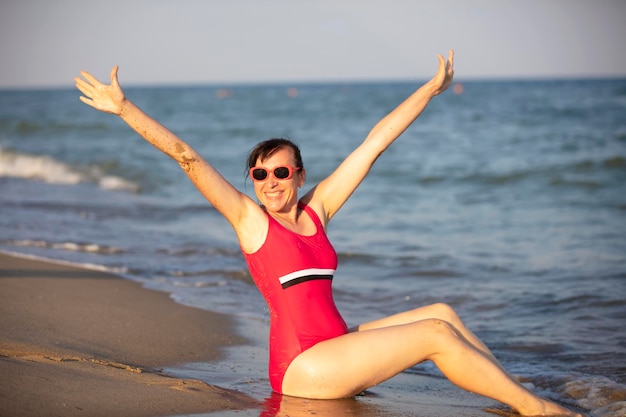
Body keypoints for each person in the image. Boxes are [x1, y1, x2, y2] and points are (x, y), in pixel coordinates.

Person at [75, 51, 580, 416]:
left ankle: (512, 393)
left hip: (333, 351)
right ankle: (537, 410)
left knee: (441, 314)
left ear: (299, 174)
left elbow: (373, 144)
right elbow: (186, 156)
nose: (270, 182)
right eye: (259, 175)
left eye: (280, 172)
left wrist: (429, 88)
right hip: (303, 371)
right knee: (433, 336)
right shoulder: (250, 221)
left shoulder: (318, 211)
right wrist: (125, 109)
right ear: (251, 181)